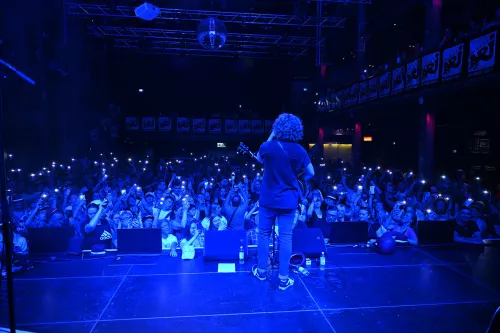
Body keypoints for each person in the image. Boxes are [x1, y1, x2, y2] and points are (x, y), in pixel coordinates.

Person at [251, 113, 315, 291]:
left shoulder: (268, 147)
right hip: (288, 201)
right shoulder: (300, 150)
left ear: (278, 127)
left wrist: (272, 134)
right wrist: (297, 177)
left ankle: (262, 271)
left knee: (263, 234)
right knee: (285, 238)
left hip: (268, 200)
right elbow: (312, 173)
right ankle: (283, 279)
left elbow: (258, 158)